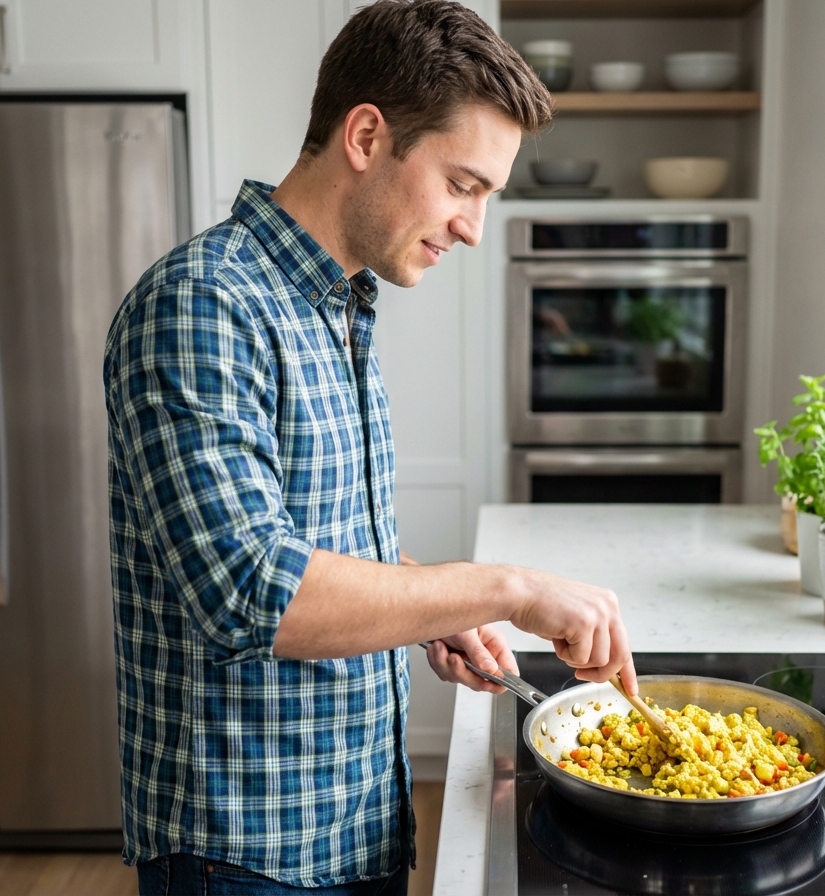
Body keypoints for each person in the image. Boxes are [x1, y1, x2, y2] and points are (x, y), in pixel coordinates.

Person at [103, 2, 637, 893]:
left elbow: (321, 539)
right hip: (247, 852)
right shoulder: (203, 303)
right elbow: (251, 592)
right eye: (462, 184)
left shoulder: (337, 305)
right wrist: (505, 588)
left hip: (354, 823)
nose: (473, 227)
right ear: (364, 136)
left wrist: (434, 610)